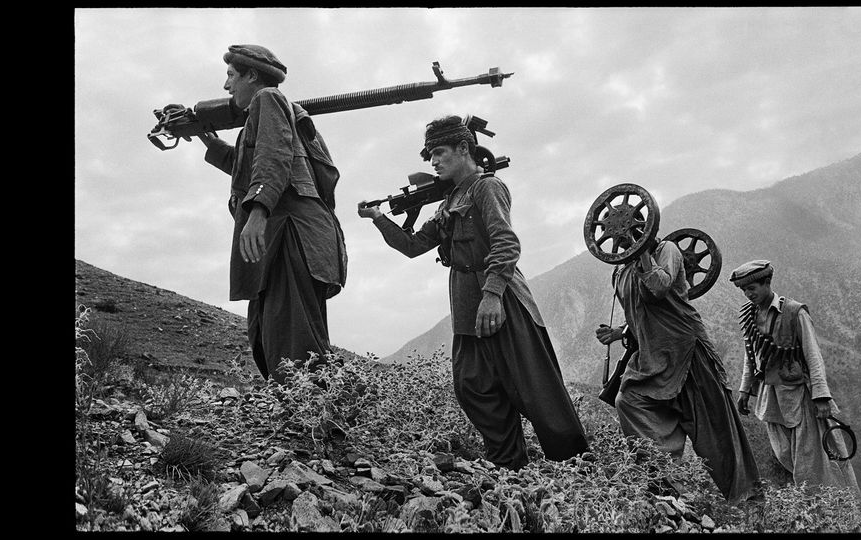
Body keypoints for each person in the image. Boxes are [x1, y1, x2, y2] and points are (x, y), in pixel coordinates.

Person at [357, 115, 588, 470]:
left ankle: (577, 467)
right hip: (466, 303)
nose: (434, 162)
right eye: (431, 155)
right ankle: (509, 464)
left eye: (439, 152)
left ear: (464, 148)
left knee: (537, 389)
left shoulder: (487, 187)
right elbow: (413, 246)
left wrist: (492, 294)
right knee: (472, 386)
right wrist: (378, 218)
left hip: (503, 298)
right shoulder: (448, 202)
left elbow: (506, 243)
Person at [165, 44, 347, 384]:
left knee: (293, 339)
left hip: (291, 231)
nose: (226, 85)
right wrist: (203, 135)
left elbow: (274, 155)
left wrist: (258, 210)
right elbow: (247, 165)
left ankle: (316, 406)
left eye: (231, 76)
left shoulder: (268, 98)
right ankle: (305, 403)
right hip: (286, 235)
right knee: (269, 333)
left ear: (251, 75)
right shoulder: (266, 113)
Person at [595, 239, 760, 502]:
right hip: (652, 357)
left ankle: (748, 501)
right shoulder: (621, 271)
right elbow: (639, 311)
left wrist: (643, 253)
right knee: (628, 400)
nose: (622, 237)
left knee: (716, 430)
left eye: (630, 231)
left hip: (687, 351)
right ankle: (664, 482)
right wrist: (619, 332)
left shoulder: (667, 250)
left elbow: (659, 288)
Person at [730, 260, 860, 494]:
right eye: (744, 290)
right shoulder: (752, 314)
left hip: (799, 398)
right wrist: (744, 389)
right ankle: (812, 501)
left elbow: (813, 355)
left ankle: (829, 504)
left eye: (752, 288)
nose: (748, 294)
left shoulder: (794, 312)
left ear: (767, 282)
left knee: (811, 462)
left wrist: (821, 396)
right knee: (785, 455)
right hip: (770, 400)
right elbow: (751, 355)